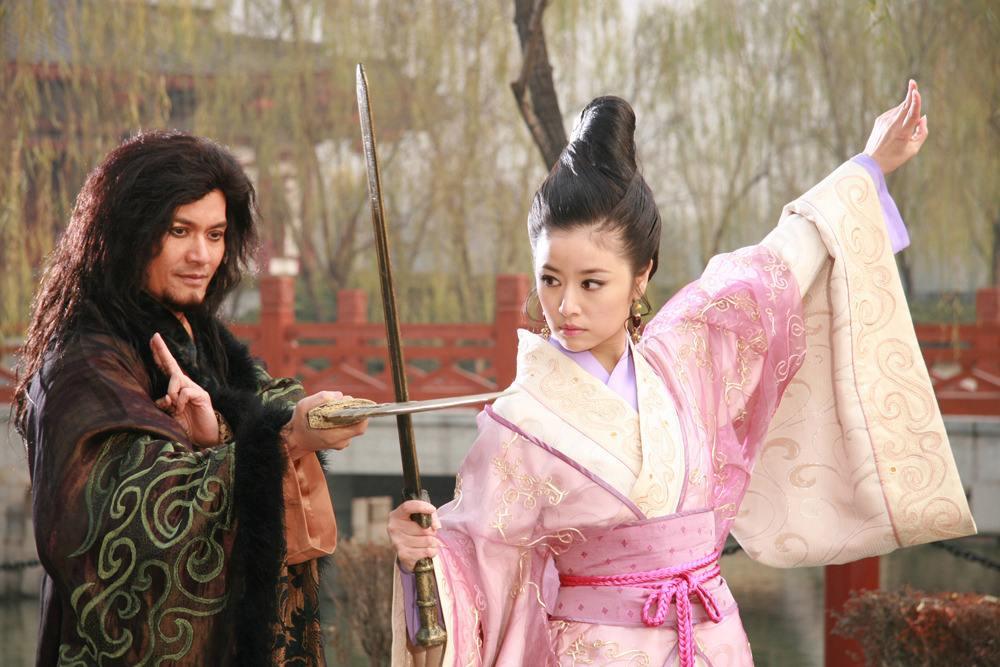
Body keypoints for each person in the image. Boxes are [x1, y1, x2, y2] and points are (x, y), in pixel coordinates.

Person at [387, 82, 976, 666]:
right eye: (550, 280)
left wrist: (870, 165)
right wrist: (424, 561)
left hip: (712, 639)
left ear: (641, 275)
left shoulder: (688, 352)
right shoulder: (517, 424)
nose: (566, 306)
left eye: (592, 283)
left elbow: (779, 261)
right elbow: (481, 558)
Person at [13, 131, 365, 666]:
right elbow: (125, 523)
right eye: (179, 231)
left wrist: (227, 430)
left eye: (216, 234)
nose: (202, 255)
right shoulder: (84, 364)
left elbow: (263, 398)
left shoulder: (197, 335)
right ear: (130, 231)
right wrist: (283, 438)